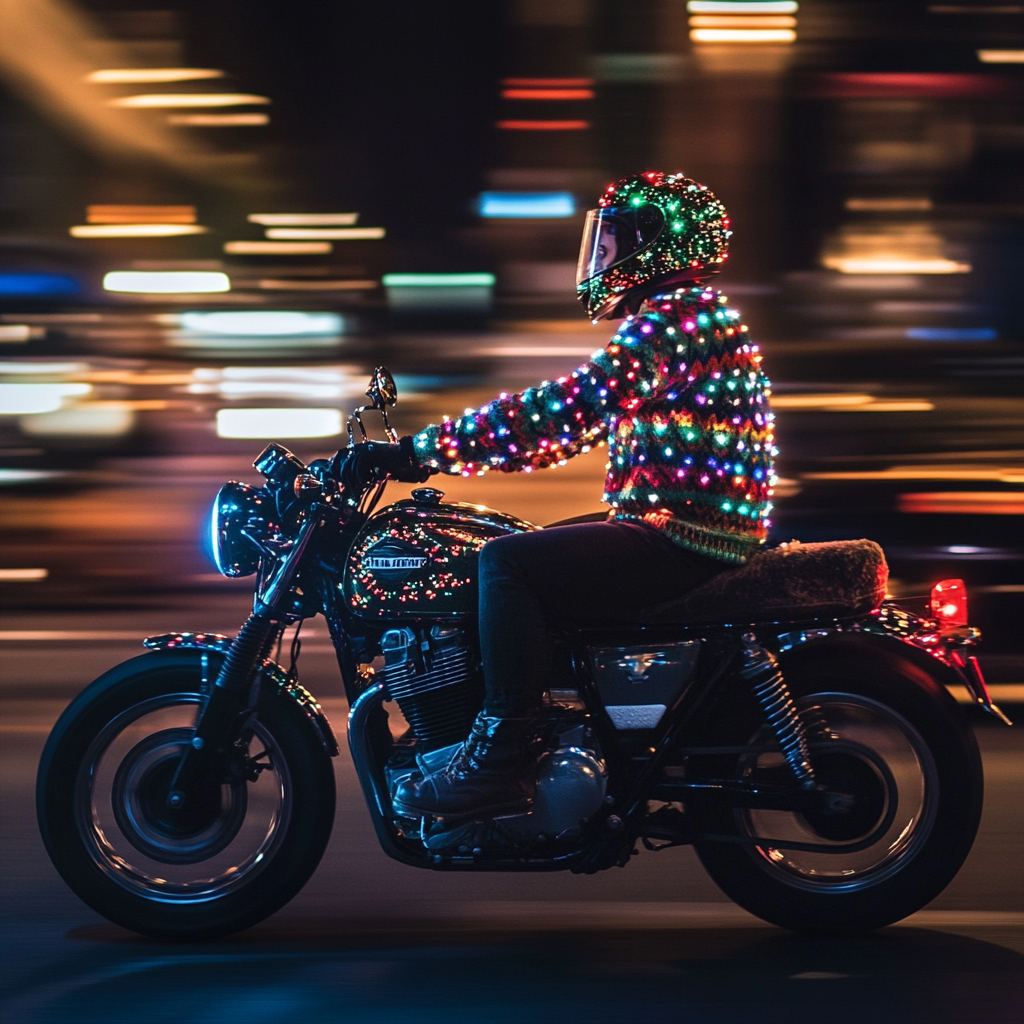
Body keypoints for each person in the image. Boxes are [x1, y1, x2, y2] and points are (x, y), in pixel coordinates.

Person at [343, 171, 777, 821]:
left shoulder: (672, 321)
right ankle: (548, 724)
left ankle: (500, 754)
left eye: (609, 245)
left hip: (685, 532)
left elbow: (565, 412)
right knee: (512, 546)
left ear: (653, 246)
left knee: (506, 562)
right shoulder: (691, 318)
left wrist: (418, 455)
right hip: (680, 522)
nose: (598, 260)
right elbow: (564, 431)